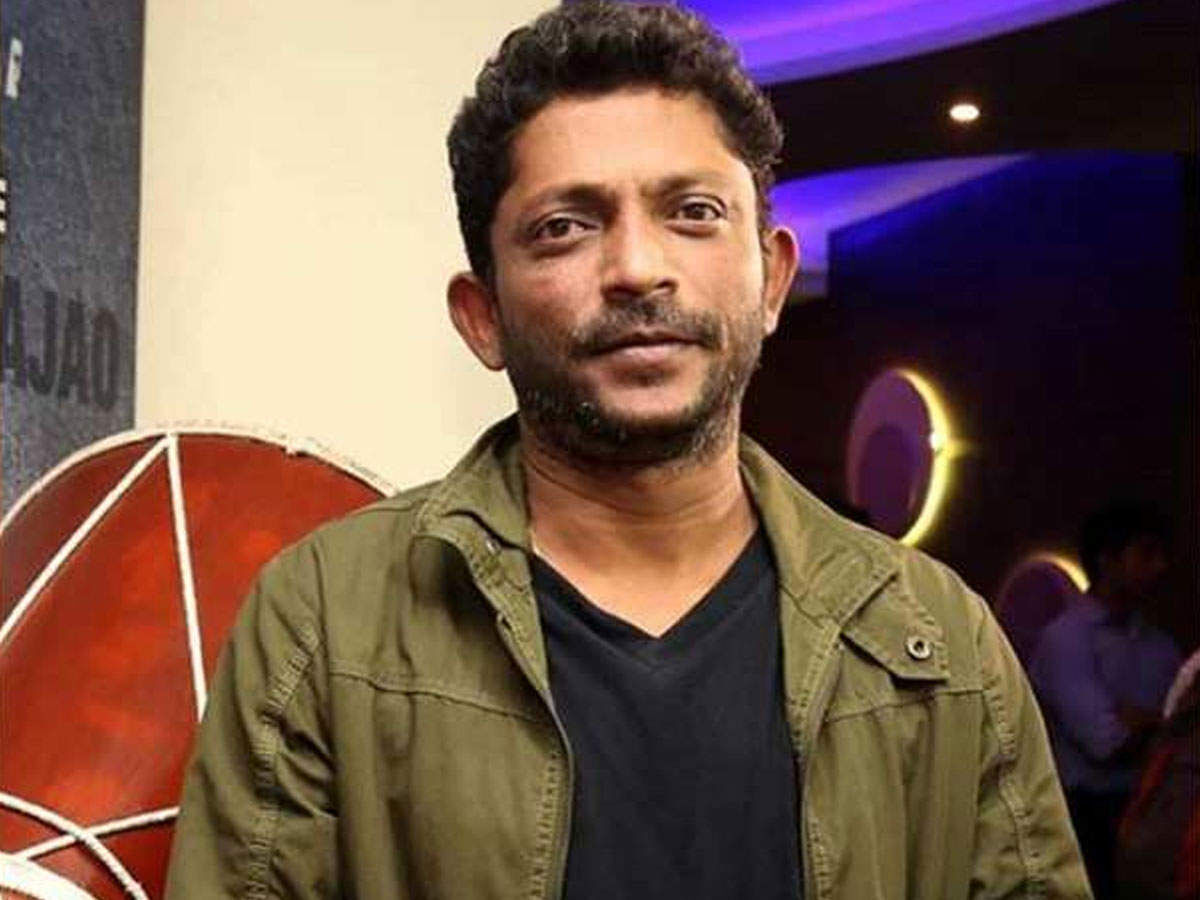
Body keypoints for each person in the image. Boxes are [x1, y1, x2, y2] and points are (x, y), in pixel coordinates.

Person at [165, 3, 1088, 897]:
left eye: (693, 211)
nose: (639, 269)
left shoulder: (938, 644)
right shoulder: (325, 622)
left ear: (772, 280)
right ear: (483, 317)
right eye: (564, 227)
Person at [1030, 501, 1182, 899]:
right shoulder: (1065, 639)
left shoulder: (1161, 645)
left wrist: (1146, 722)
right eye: (1146, 553)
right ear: (1107, 561)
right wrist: (1162, 722)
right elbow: (1106, 740)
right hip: (1086, 819)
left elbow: (1181, 739)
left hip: (1152, 812)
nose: (1161, 566)